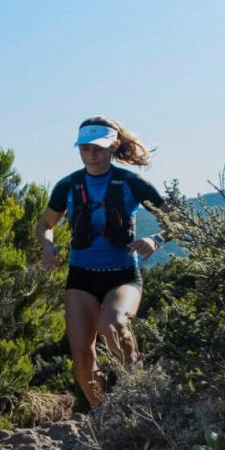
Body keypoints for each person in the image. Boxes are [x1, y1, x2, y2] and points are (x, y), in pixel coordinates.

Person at [36, 116, 172, 405]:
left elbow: (178, 221)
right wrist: (48, 246)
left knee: (113, 325)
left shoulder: (131, 184)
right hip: (81, 276)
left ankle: (138, 395)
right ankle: (103, 414)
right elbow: (45, 224)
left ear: (114, 147)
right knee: (82, 356)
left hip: (122, 274)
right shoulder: (68, 186)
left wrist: (155, 240)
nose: (91, 154)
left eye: (98, 148)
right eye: (85, 148)